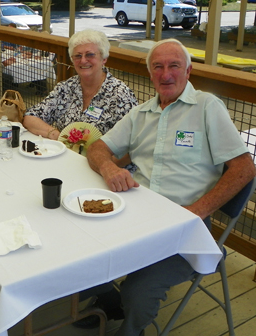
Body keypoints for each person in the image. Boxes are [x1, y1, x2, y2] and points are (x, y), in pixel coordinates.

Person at [85, 38, 256, 336]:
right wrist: (110, 167)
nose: (166, 74)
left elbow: (244, 168)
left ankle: (131, 327)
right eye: (158, 67)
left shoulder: (206, 107)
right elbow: (98, 147)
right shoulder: (141, 114)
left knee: (138, 293)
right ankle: (109, 297)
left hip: (185, 229)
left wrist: (194, 212)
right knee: (80, 248)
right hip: (135, 214)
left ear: (188, 71)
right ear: (150, 74)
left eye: (174, 66)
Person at [23, 29, 137, 147]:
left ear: (104, 58)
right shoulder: (66, 88)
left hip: (103, 162)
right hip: (66, 157)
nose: (83, 60)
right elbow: (30, 117)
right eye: (78, 56)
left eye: (90, 54)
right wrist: (58, 137)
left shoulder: (121, 95)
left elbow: (132, 144)